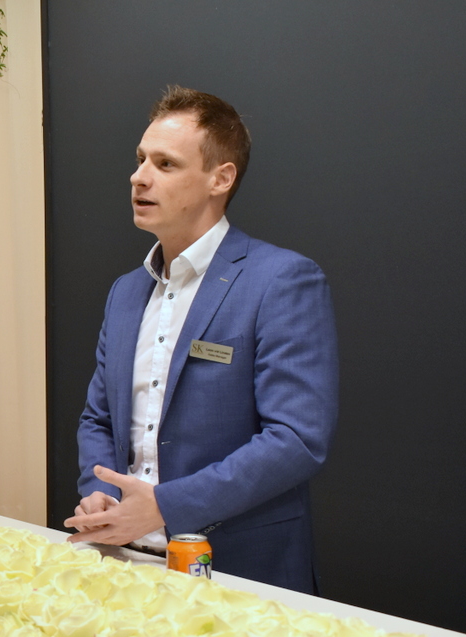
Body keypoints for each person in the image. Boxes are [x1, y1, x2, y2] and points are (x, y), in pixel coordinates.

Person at [66, 86, 338, 592]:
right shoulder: (126, 292)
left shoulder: (281, 281)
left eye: (165, 164)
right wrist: (101, 493)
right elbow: (99, 418)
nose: (139, 177)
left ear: (221, 178)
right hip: (122, 563)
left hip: (240, 574)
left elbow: (296, 439)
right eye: (140, 159)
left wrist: (165, 506)